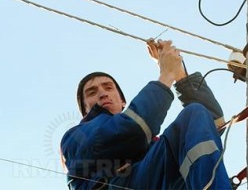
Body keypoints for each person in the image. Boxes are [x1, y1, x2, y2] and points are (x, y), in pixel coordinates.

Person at [60, 39, 232, 189]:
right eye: (92, 92)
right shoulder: (74, 138)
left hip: (152, 181)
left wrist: (178, 72)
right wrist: (166, 74)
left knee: (195, 114)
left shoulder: (151, 147)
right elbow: (129, 130)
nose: (102, 93)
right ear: (84, 110)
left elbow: (213, 122)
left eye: (108, 87)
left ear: (122, 101)